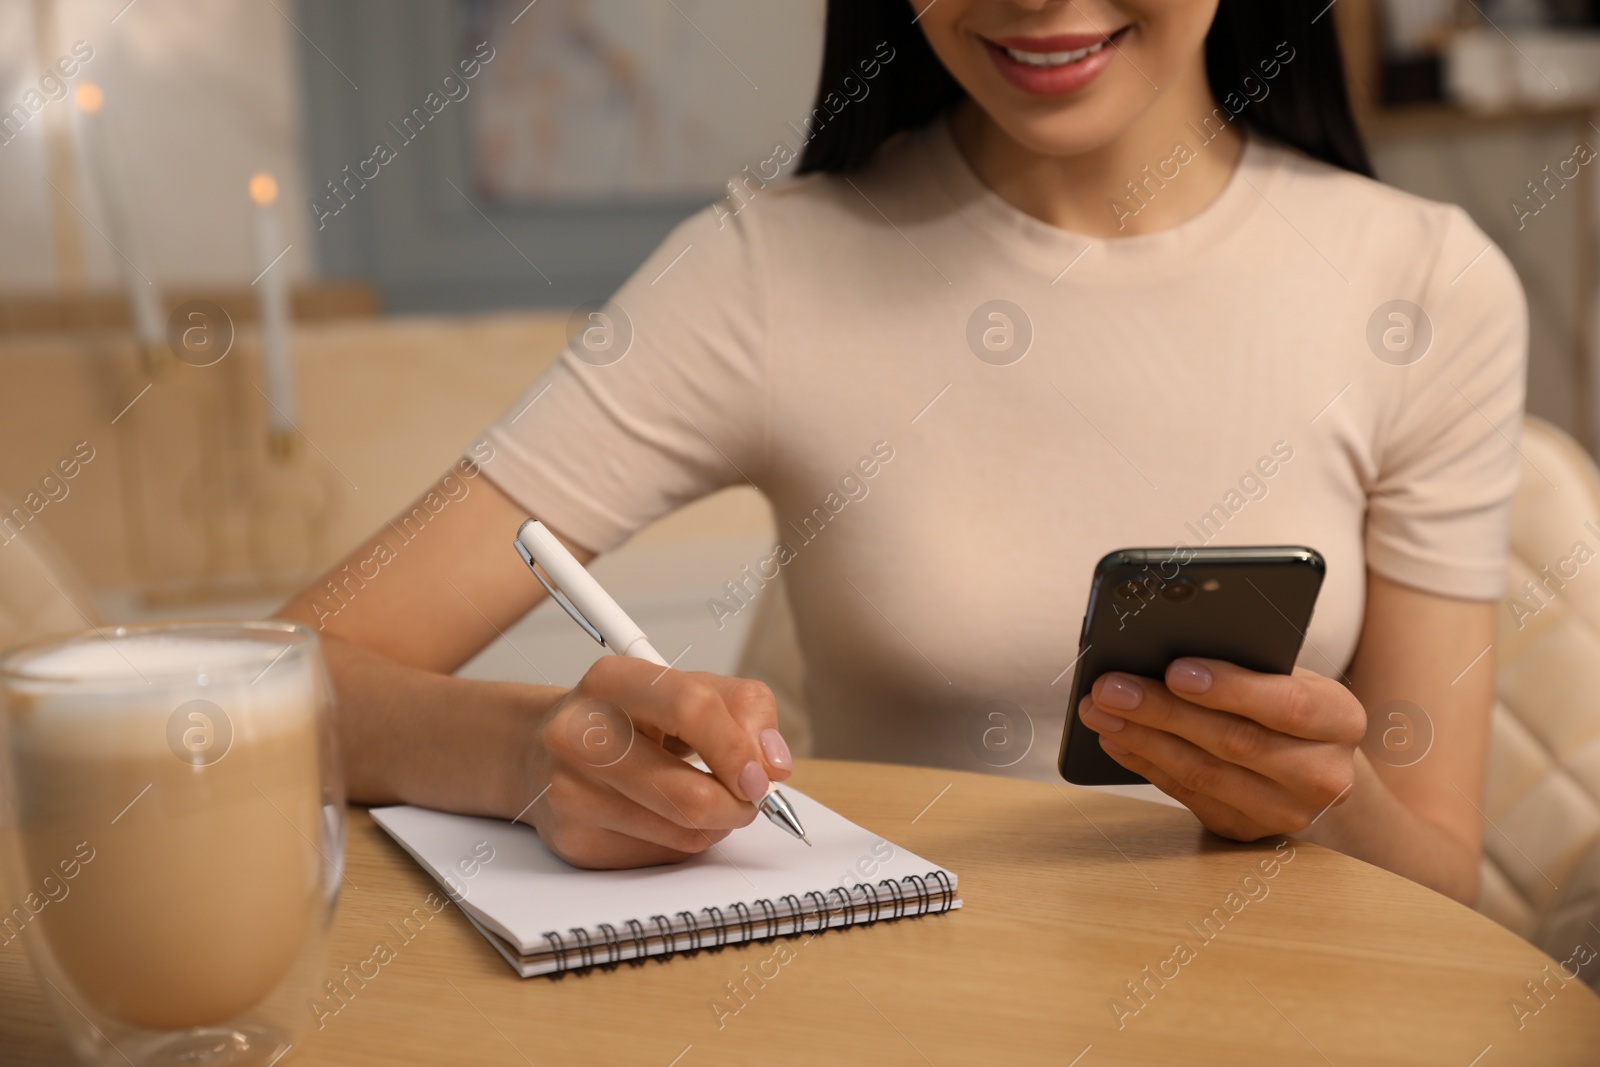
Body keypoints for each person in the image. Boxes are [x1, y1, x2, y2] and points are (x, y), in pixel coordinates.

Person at [278, 0, 1525, 903]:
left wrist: (1325, 803)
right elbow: (270, 686)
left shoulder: (1425, 284)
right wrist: (526, 754)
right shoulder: (766, 273)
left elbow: (1443, 886)